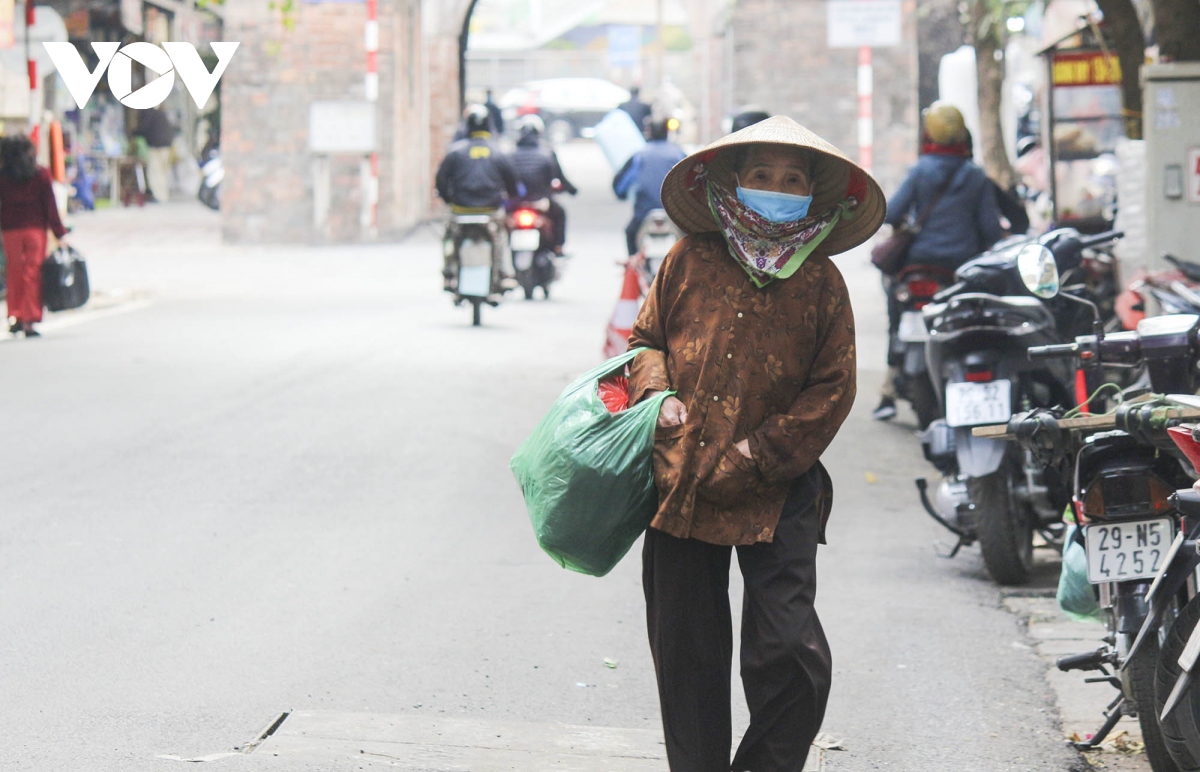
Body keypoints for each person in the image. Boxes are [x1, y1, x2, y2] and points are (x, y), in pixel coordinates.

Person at [626, 116, 886, 772]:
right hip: (681, 480)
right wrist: (660, 399)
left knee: (792, 658)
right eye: (762, 176)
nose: (777, 188)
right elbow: (644, 341)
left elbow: (834, 387)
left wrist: (760, 454)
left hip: (780, 490)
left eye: (792, 178)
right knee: (688, 661)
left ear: (812, 192)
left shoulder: (822, 280)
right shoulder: (690, 257)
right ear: (735, 184)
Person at [871, 101, 1003, 421]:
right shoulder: (975, 177)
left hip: (919, 266)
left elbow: (890, 212)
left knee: (895, 312)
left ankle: (891, 377)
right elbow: (991, 230)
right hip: (961, 269)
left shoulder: (920, 171)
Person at [435, 104, 520, 288]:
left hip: (461, 209)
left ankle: (449, 269)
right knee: (502, 236)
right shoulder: (498, 152)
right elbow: (511, 183)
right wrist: (512, 198)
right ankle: (505, 272)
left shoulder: (455, 152)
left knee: (449, 236)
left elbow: (441, 181)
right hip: (490, 209)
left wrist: (448, 199)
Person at [0, 135, 69, 337]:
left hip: (10, 230)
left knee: (14, 271)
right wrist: (59, 233)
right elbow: (50, 206)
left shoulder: (3, 176)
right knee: (33, 273)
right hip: (35, 230)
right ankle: (30, 318)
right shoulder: (41, 174)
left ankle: (16, 315)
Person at [612, 117, 686, 256]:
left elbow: (620, 185)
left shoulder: (640, 155)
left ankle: (633, 265)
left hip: (644, 212)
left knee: (630, 233)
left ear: (648, 132)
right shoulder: (679, 154)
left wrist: (621, 194)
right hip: (675, 213)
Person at [509, 115, 577, 254]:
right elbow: (559, 178)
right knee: (560, 214)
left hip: (515, 203)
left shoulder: (510, 155)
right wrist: (571, 190)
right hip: (540, 202)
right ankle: (558, 247)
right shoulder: (547, 153)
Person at [132, 106, 175, 203]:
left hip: (156, 146)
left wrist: (133, 133)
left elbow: (143, 128)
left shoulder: (147, 113)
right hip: (166, 145)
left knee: (155, 171)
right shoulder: (160, 113)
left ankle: (159, 196)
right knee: (163, 171)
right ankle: (164, 195)